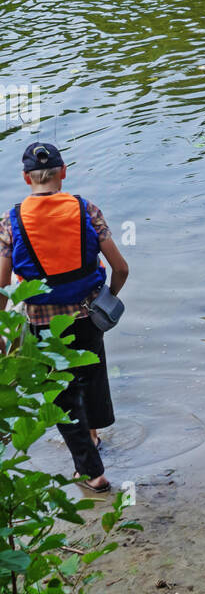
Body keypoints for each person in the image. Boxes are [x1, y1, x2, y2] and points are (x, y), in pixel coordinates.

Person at [0, 142, 130, 495]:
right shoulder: (86, 209)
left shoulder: (10, 221)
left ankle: (92, 473)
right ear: (64, 172)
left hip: (42, 323)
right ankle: (93, 437)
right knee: (92, 375)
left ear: (26, 178)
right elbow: (121, 268)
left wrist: (1, 331)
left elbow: (2, 286)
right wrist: (107, 298)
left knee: (62, 395)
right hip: (88, 315)